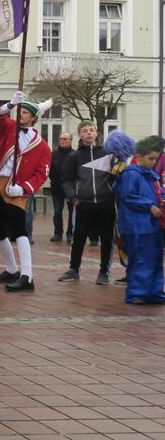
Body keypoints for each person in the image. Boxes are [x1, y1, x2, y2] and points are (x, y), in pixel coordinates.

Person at [0, 92, 52, 292]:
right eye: (20, 111)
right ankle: (11, 269)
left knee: (19, 230)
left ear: (33, 118)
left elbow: (41, 174)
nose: (21, 114)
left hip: (17, 189)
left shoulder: (43, 146)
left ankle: (27, 276)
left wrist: (24, 188)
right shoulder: (8, 128)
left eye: (24, 112)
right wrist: (9, 105)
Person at [59, 121, 116, 285]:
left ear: (96, 133)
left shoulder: (108, 154)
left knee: (107, 239)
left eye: (91, 130)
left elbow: (115, 177)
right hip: (83, 204)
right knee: (78, 238)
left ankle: (104, 272)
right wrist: (74, 199)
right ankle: (74, 270)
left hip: (106, 203)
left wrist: (113, 193)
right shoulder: (74, 156)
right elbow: (66, 180)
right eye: (85, 131)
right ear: (80, 135)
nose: (89, 133)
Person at [113, 136, 165, 304]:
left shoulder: (151, 176)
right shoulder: (131, 174)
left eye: (155, 159)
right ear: (139, 156)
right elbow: (128, 196)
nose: (153, 162)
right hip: (137, 226)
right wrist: (149, 205)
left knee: (155, 259)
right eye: (150, 158)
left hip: (151, 226)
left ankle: (155, 292)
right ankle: (137, 293)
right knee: (140, 259)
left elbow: (157, 194)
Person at [50, 131, 75, 243]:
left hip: (71, 189)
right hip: (57, 188)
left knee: (71, 212)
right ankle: (58, 233)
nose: (63, 141)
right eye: (61, 139)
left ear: (71, 141)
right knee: (57, 212)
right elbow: (50, 170)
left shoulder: (75, 154)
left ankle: (70, 234)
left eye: (65, 139)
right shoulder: (53, 154)